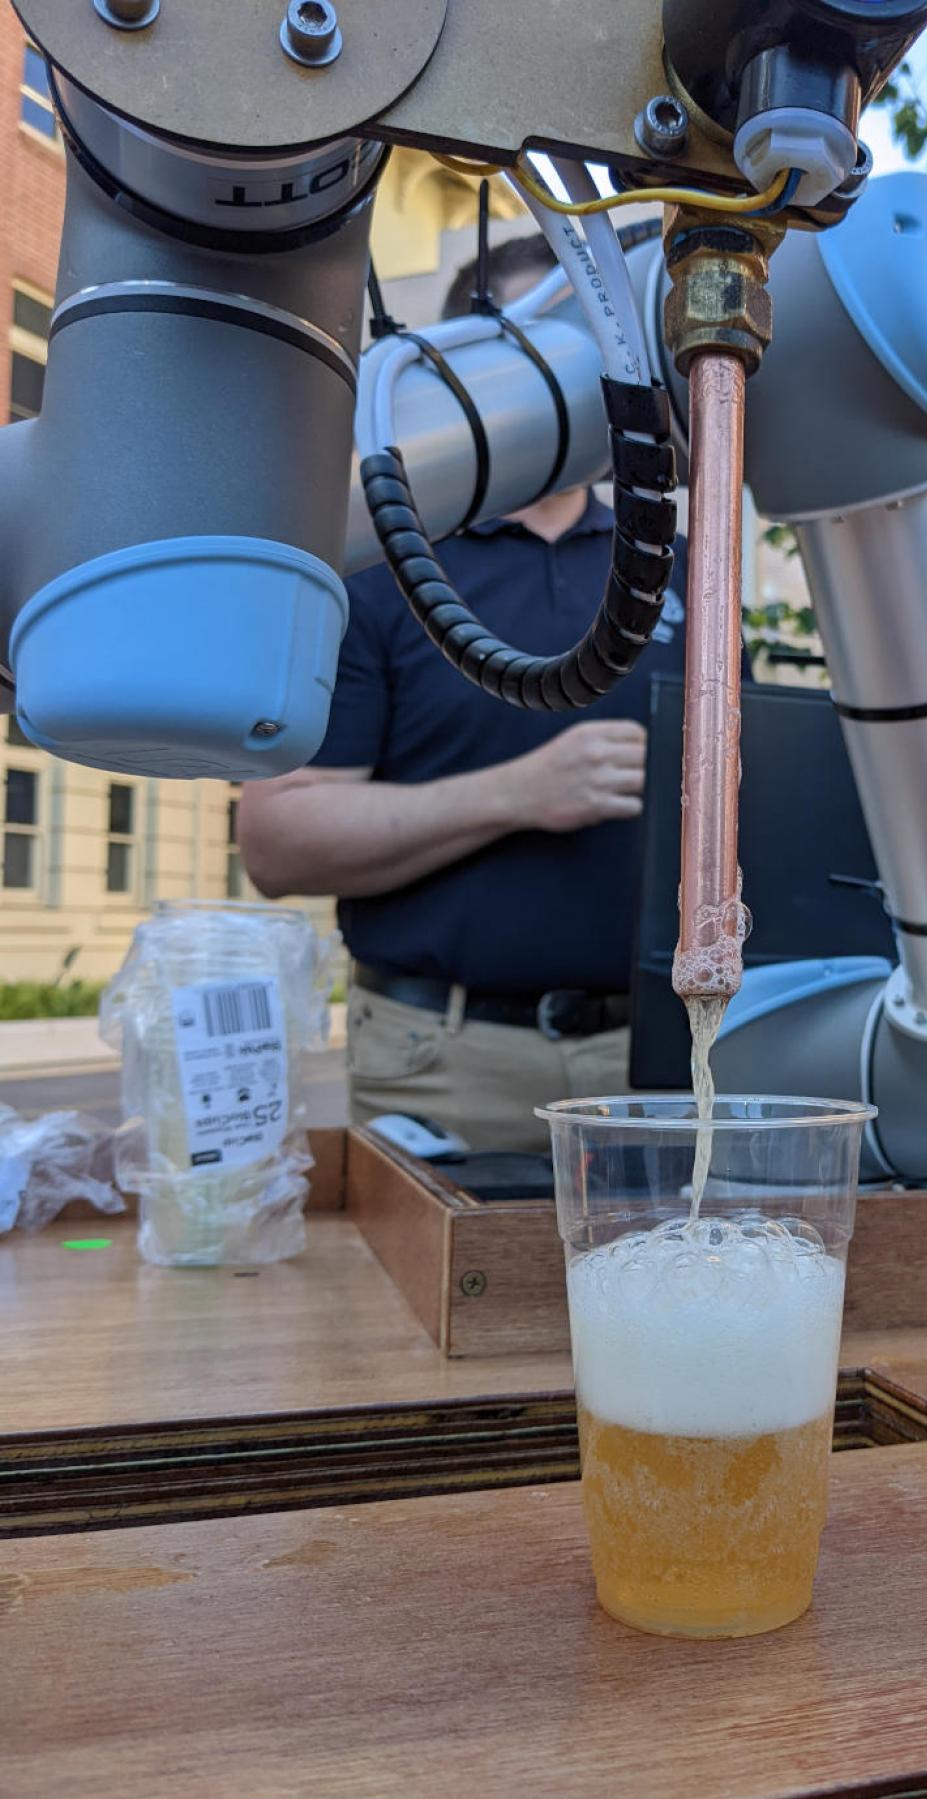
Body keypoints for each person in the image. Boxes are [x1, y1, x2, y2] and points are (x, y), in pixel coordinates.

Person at [238, 234, 690, 1151]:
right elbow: (277, 841)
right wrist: (516, 795)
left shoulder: (679, 569)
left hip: (656, 1066)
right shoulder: (379, 560)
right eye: (551, 350)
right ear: (461, 370)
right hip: (444, 1064)